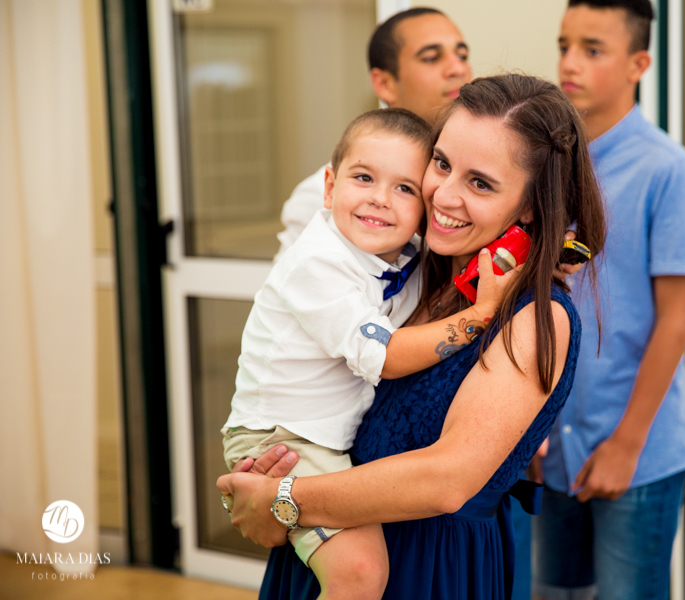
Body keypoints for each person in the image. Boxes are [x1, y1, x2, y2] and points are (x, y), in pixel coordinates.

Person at [217, 73, 607, 600]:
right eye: (442, 164)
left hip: (427, 572)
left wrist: (283, 501)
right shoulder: (416, 273)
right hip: (334, 547)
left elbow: (447, 480)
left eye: (481, 183)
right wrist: (267, 481)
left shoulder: (537, 318)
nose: (443, 194)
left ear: (532, 206)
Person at [222, 108, 510, 599]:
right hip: (283, 439)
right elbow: (390, 355)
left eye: (404, 189)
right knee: (360, 574)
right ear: (330, 186)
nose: (380, 198)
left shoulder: (404, 255)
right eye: (363, 178)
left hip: (325, 440)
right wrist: (480, 315)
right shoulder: (317, 263)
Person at [531, 2, 685, 599]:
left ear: (639, 63)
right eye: (564, 45)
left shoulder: (668, 170)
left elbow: (677, 318)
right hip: (552, 447)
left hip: (637, 450)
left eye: (592, 49)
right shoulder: (547, 167)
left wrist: (626, 445)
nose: (569, 63)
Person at [275, 7, 472, 260]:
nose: (458, 69)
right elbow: (295, 293)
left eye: (463, 56)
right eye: (432, 58)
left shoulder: (464, 183)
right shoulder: (321, 199)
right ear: (384, 84)